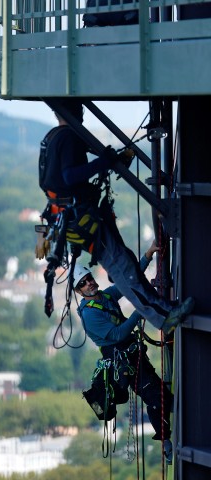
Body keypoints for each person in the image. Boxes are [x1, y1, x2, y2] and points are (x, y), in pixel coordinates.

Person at [39, 98, 194, 335]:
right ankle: (163, 317)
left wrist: (108, 159)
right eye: (80, 108)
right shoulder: (68, 137)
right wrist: (105, 162)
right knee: (123, 267)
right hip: (82, 219)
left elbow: (54, 180)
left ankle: (166, 310)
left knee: (126, 262)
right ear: (76, 111)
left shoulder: (51, 138)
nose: (82, 112)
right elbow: (70, 176)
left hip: (76, 219)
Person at [74, 243, 173, 463]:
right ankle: (166, 445)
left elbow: (129, 282)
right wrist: (140, 312)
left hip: (134, 356)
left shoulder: (105, 297)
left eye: (89, 278)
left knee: (161, 395)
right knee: (157, 398)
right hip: (124, 364)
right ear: (78, 291)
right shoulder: (90, 315)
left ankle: (169, 438)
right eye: (83, 283)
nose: (89, 283)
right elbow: (118, 334)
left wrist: (148, 254)